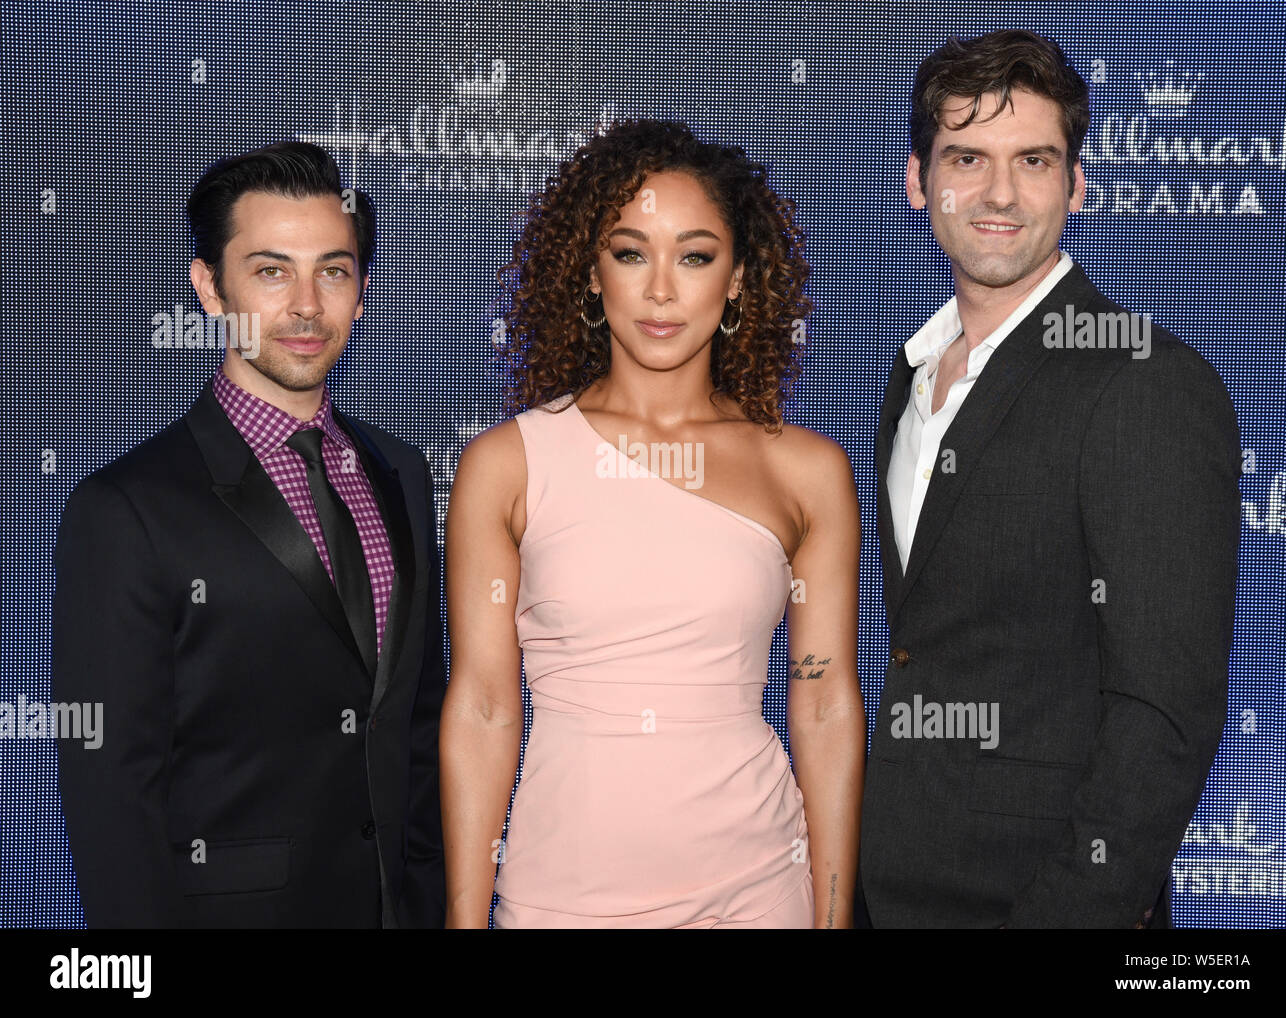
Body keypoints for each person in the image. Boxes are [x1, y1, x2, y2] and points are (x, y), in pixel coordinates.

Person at [442, 119, 863, 928]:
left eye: (695, 256)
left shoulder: (805, 471)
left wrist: (833, 918)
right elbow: (485, 708)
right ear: (591, 275)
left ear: (738, 278)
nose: (662, 290)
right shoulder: (507, 465)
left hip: (758, 885)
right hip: (561, 889)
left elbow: (825, 705)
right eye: (631, 253)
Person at [861, 30, 1240, 928]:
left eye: (1033, 159)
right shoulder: (913, 376)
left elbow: (1165, 716)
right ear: (918, 182)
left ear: (1076, 184)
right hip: (893, 891)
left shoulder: (1141, 378)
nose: (999, 193)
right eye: (967, 158)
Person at [52, 141, 447, 928]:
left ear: (363, 291)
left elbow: (417, 733)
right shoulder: (125, 509)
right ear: (209, 286)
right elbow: (112, 798)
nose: (307, 305)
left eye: (333, 271)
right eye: (271, 271)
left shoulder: (400, 474)